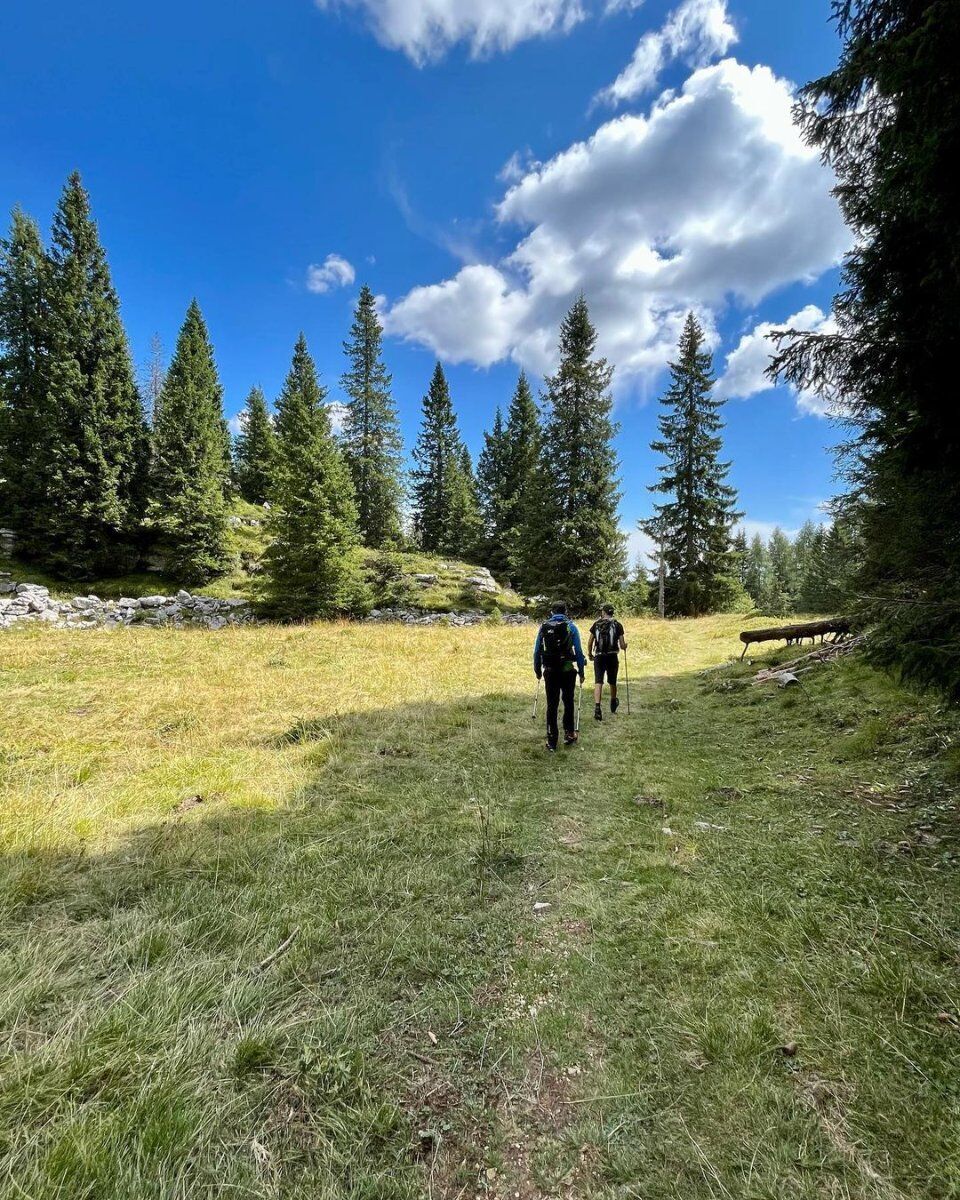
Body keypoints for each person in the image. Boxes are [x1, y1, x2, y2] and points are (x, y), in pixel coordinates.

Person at [533, 601, 586, 751]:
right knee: (568, 702)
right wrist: (581, 671)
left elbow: (537, 651)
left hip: (550, 671)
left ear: (552, 612)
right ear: (565, 611)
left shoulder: (544, 627)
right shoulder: (571, 627)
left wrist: (537, 670)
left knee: (552, 705)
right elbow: (579, 651)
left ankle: (552, 740)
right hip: (568, 670)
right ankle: (569, 734)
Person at [588, 604, 627, 721]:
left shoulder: (596, 624)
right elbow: (622, 645)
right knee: (612, 681)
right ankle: (613, 702)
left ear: (604, 612)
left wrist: (590, 654)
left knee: (598, 681)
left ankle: (597, 708)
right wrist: (625, 646)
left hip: (599, 656)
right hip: (612, 656)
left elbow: (590, 642)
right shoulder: (617, 625)